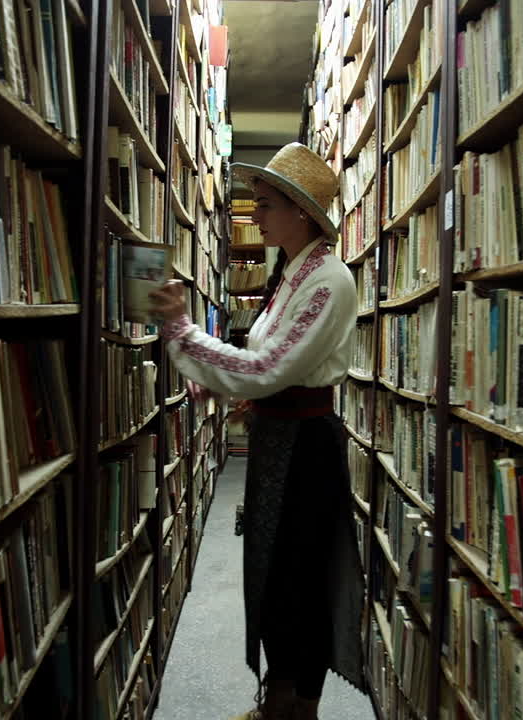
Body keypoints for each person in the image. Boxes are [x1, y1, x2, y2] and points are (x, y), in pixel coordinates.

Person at [149, 143, 366, 720]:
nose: (255, 216)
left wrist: (183, 334)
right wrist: (226, 383)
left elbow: (269, 369)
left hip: (304, 450)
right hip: (282, 441)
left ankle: (296, 710)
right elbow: (266, 361)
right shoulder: (295, 273)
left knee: (297, 581)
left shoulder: (327, 282)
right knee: (275, 576)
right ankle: (279, 701)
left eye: (265, 205)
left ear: (300, 212)